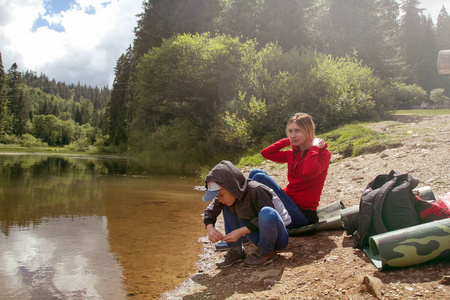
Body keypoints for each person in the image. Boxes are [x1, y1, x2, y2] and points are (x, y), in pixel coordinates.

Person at [202, 160, 292, 267]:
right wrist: (210, 228)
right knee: (226, 205)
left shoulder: (256, 190)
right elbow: (210, 212)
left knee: (266, 212)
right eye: (217, 197)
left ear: (232, 187)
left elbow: (269, 216)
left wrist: (240, 232)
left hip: (277, 236)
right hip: (256, 235)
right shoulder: (227, 196)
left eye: (221, 195)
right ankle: (236, 250)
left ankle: (268, 252)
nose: (219, 199)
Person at [249, 112, 331, 226]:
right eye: (290, 131)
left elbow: (309, 172)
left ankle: (250, 222)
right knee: (255, 172)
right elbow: (266, 153)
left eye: (297, 131)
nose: (293, 135)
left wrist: (314, 148)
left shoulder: (323, 154)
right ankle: (250, 219)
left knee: (259, 177)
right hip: (288, 204)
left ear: (309, 131)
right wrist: (288, 141)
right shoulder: (292, 154)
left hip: (302, 214)